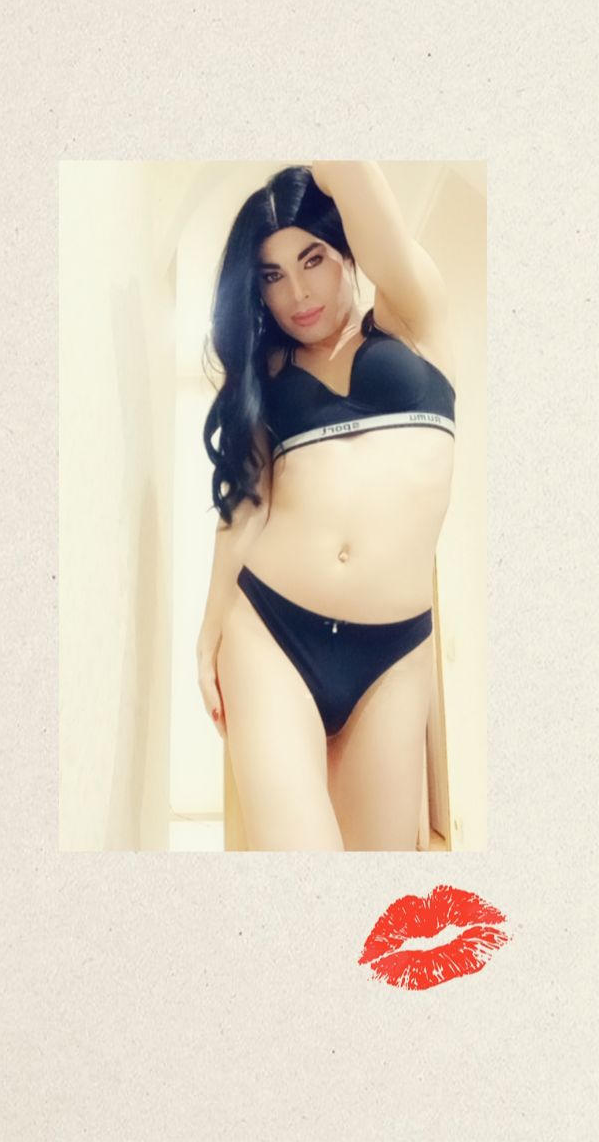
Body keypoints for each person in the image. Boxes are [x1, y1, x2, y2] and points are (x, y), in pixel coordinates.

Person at [197, 161, 457, 851]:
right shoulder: (268, 374)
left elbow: (356, 174)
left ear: (347, 250)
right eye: (272, 275)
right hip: (270, 631)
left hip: (393, 650)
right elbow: (245, 506)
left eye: (312, 258)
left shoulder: (412, 320)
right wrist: (207, 632)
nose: (297, 293)